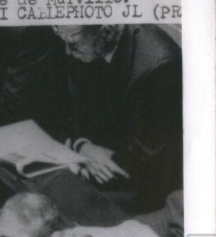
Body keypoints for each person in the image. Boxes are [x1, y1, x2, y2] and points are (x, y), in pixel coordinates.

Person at [52, 24, 182, 213]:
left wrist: (92, 160)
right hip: (93, 155)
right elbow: (67, 107)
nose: (68, 52)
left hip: (141, 176)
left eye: (74, 45)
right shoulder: (89, 43)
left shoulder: (159, 67)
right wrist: (83, 146)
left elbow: (143, 153)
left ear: (105, 32)